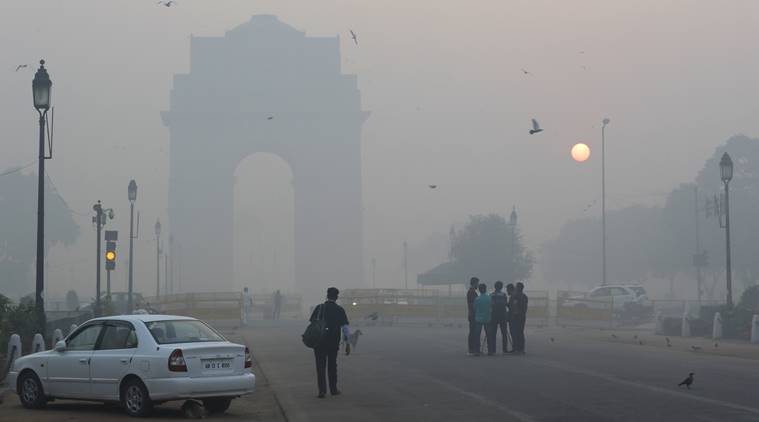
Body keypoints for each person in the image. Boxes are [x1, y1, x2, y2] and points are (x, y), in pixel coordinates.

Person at [309, 287, 350, 398]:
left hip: (319, 341)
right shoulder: (340, 310)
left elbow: (312, 323)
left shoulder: (319, 308)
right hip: (333, 342)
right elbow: (345, 328)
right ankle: (333, 389)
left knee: (320, 366)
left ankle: (322, 390)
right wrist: (347, 344)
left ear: (327, 295)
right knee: (332, 365)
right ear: (336, 297)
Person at [489, 281, 509, 354]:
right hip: (502, 316)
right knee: (504, 333)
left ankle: (493, 349)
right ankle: (505, 349)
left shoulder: (491, 295)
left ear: (495, 287)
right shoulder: (504, 295)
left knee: (493, 333)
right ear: (501, 287)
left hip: (494, 316)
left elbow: (490, 305)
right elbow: (506, 304)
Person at [473, 283, 493, 355]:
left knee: (477, 335)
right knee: (489, 335)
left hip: (478, 318)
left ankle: (477, 350)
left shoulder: (477, 299)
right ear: (485, 289)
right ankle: (490, 350)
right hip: (487, 318)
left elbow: (474, 308)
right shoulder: (489, 298)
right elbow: (491, 308)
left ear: (479, 290)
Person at [509, 282, 529, 354]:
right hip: (522, 316)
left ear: (518, 288)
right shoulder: (525, 296)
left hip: (515, 317)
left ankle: (515, 348)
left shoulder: (515, 296)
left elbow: (515, 305)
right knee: (520, 332)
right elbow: (525, 307)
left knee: (515, 332)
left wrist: (514, 313)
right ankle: (521, 348)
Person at [466, 277, 480, 355]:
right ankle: (472, 349)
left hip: (472, 314)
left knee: (473, 332)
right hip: (473, 315)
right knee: (473, 332)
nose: (478, 285)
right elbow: (472, 305)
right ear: (474, 283)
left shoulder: (472, 291)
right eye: (477, 283)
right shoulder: (472, 292)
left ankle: (473, 349)